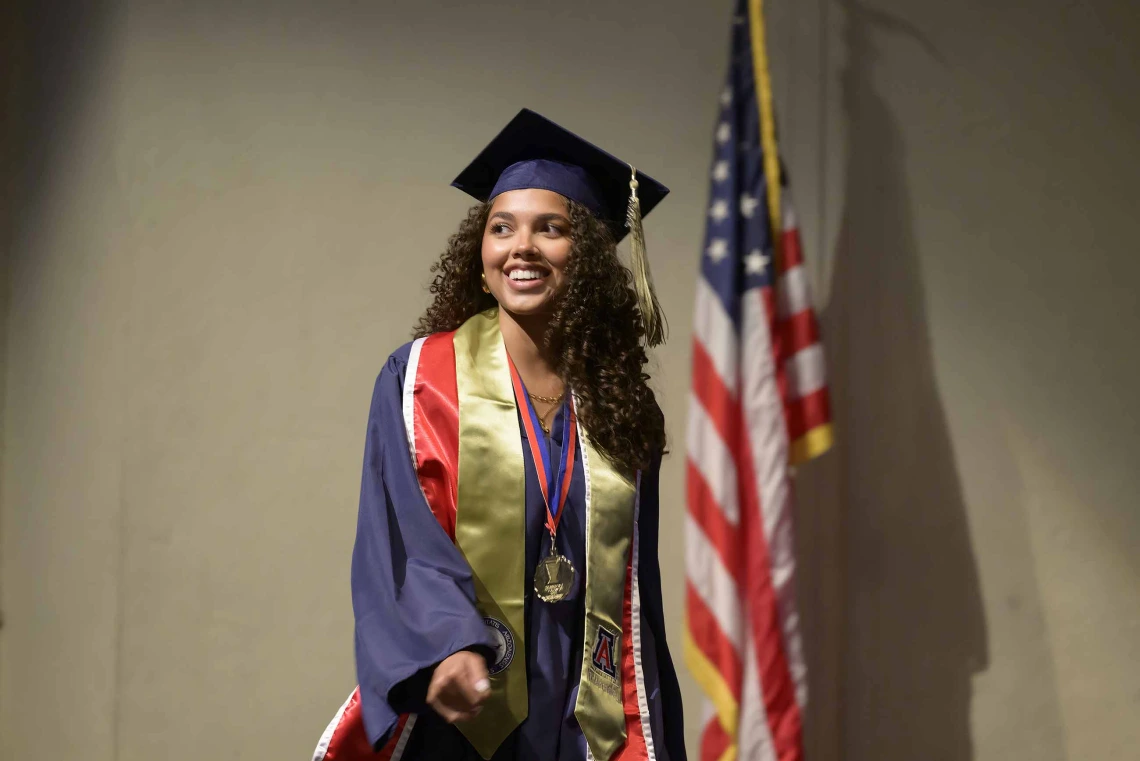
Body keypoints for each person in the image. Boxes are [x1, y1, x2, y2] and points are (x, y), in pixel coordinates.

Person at [312, 109, 685, 761]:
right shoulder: (421, 381)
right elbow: (401, 539)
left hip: (581, 722)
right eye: (502, 227)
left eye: (552, 228)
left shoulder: (620, 406)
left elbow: (635, 598)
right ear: (480, 257)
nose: (522, 247)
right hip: (464, 712)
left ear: (590, 256)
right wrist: (448, 640)